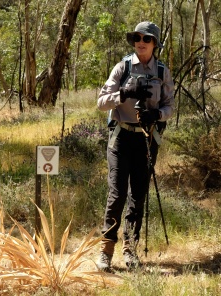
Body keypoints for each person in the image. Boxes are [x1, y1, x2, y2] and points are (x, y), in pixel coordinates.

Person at [96, 21, 174, 271]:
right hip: (121, 137)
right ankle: (106, 249)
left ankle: (130, 250)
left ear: (155, 43)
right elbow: (101, 103)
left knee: (137, 196)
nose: (140, 41)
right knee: (117, 194)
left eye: (147, 38)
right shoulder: (123, 67)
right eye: (137, 37)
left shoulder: (162, 72)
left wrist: (157, 115)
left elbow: (170, 106)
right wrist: (123, 94)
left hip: (147, 139)